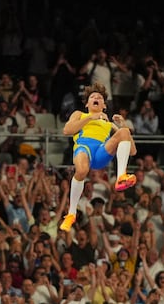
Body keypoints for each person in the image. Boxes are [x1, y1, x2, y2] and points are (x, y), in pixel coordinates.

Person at [59, 82, 137, 232]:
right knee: (81, 171)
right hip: (84, 147)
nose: (96, 98)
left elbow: (132, 151)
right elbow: (67, 130)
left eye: (99, 97)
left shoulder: (109, 124)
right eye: (92, 97)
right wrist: (91, 118)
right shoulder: (80, 114)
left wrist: (123, 125)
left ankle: (121, 177)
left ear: (104, 106)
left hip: (101, 152)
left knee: (124, 133)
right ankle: (71, 214)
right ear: (87, 104)